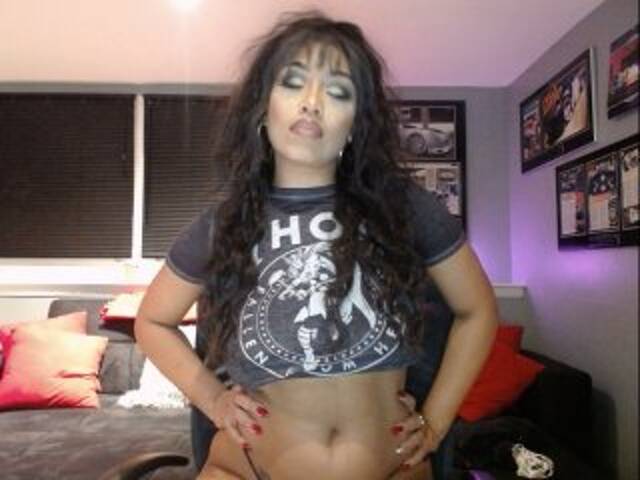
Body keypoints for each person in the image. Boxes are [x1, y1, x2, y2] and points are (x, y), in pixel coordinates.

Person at [135, 10, 498, 480]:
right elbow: (152, 321)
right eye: (293, 83)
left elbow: (478, 311)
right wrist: (213, 399)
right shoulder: (226, 223)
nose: (311, 102)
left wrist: (437, 421)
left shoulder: (405, 207)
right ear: (263, 108)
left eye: (338, 91)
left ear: (356, 124)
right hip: (246, 469)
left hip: (394, 468)